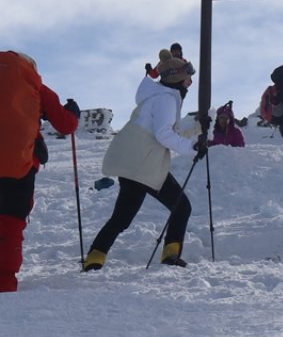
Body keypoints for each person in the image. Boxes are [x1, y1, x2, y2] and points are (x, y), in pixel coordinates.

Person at [0, 51, 79, 292]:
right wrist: (73, 111)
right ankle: (4, 282)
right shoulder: (36, 86)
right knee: (11, 221)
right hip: (19, 163)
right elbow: (66, 124)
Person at [84, 49, 206, 271]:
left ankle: (95, 257)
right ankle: (170, 257)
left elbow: (168, 129)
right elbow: (163, 134)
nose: (190, 82)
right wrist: (192, 149)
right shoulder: (166, 100)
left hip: (133, 163)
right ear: (178, 79)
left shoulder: (155, 96)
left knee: (122, 218)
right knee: (182, 207)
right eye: (188, 78)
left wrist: (197, 128)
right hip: (145, 165)